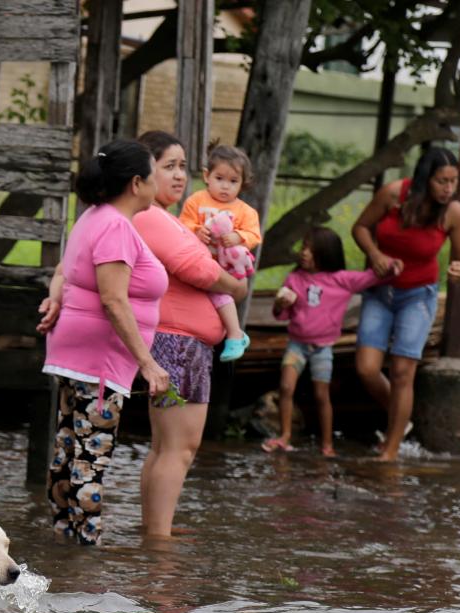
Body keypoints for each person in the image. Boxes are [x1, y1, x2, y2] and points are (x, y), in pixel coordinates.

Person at [36, 139, 171, 545]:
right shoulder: (114, 226)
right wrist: (147, 362)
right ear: (136, 183)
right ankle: (87, 551)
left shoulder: (94, 216)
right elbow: (113, 300)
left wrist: (56, 295)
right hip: (100, 362)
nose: (160, 180)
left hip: (75, 353)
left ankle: (62, 540)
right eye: (155, 172)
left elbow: (65, 268)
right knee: (90, 459)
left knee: (67, 450)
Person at [133, 130, 249, 537]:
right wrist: (236, 287)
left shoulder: (164, 217)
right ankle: (158, 540)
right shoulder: (150, 216)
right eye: (169, 167)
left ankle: (154, 528)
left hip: (176, 342)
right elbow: (197, 269)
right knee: (179, 448)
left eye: (183, 167)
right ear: (143, 172)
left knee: (166, 446)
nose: (180, 176)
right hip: (179, 343)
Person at [351, 146, 460, 461]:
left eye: (453, 181)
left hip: (418, 296)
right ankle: (400, 417)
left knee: (403, 372)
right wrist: (376, 256)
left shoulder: (453, 213)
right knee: (366, 368)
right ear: (425, 179)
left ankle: (390, 452)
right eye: (441, 181)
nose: (449, 189)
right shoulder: (393, 194)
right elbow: (360, 227)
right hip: (380, 291)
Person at [262, 227, 395, 456]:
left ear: (326, 253)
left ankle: (327, 445)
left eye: (310, 249)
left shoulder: (342, 280)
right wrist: (280, 305)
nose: (304, 253)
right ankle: (284, 436)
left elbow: (373, 276)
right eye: (303, 247)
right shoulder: (294, 279)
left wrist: (393, 264)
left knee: (321, 395)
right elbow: (281, 315)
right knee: (285, 388)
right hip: (296, 345)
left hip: (322, 349)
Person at [178, 144, 262, 362]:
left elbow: (254, 235)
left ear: (242, 183)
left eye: (233, 181)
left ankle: (235, 334)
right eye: (220, 178)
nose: (225, 186)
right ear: (207, 175)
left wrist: (238, 237)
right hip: (200, 262)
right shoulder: (196, 200)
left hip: (227, 268)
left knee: (220, 295)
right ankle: (220, 334)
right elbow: (182, 224)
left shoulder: (245, 211)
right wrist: (197, 230)